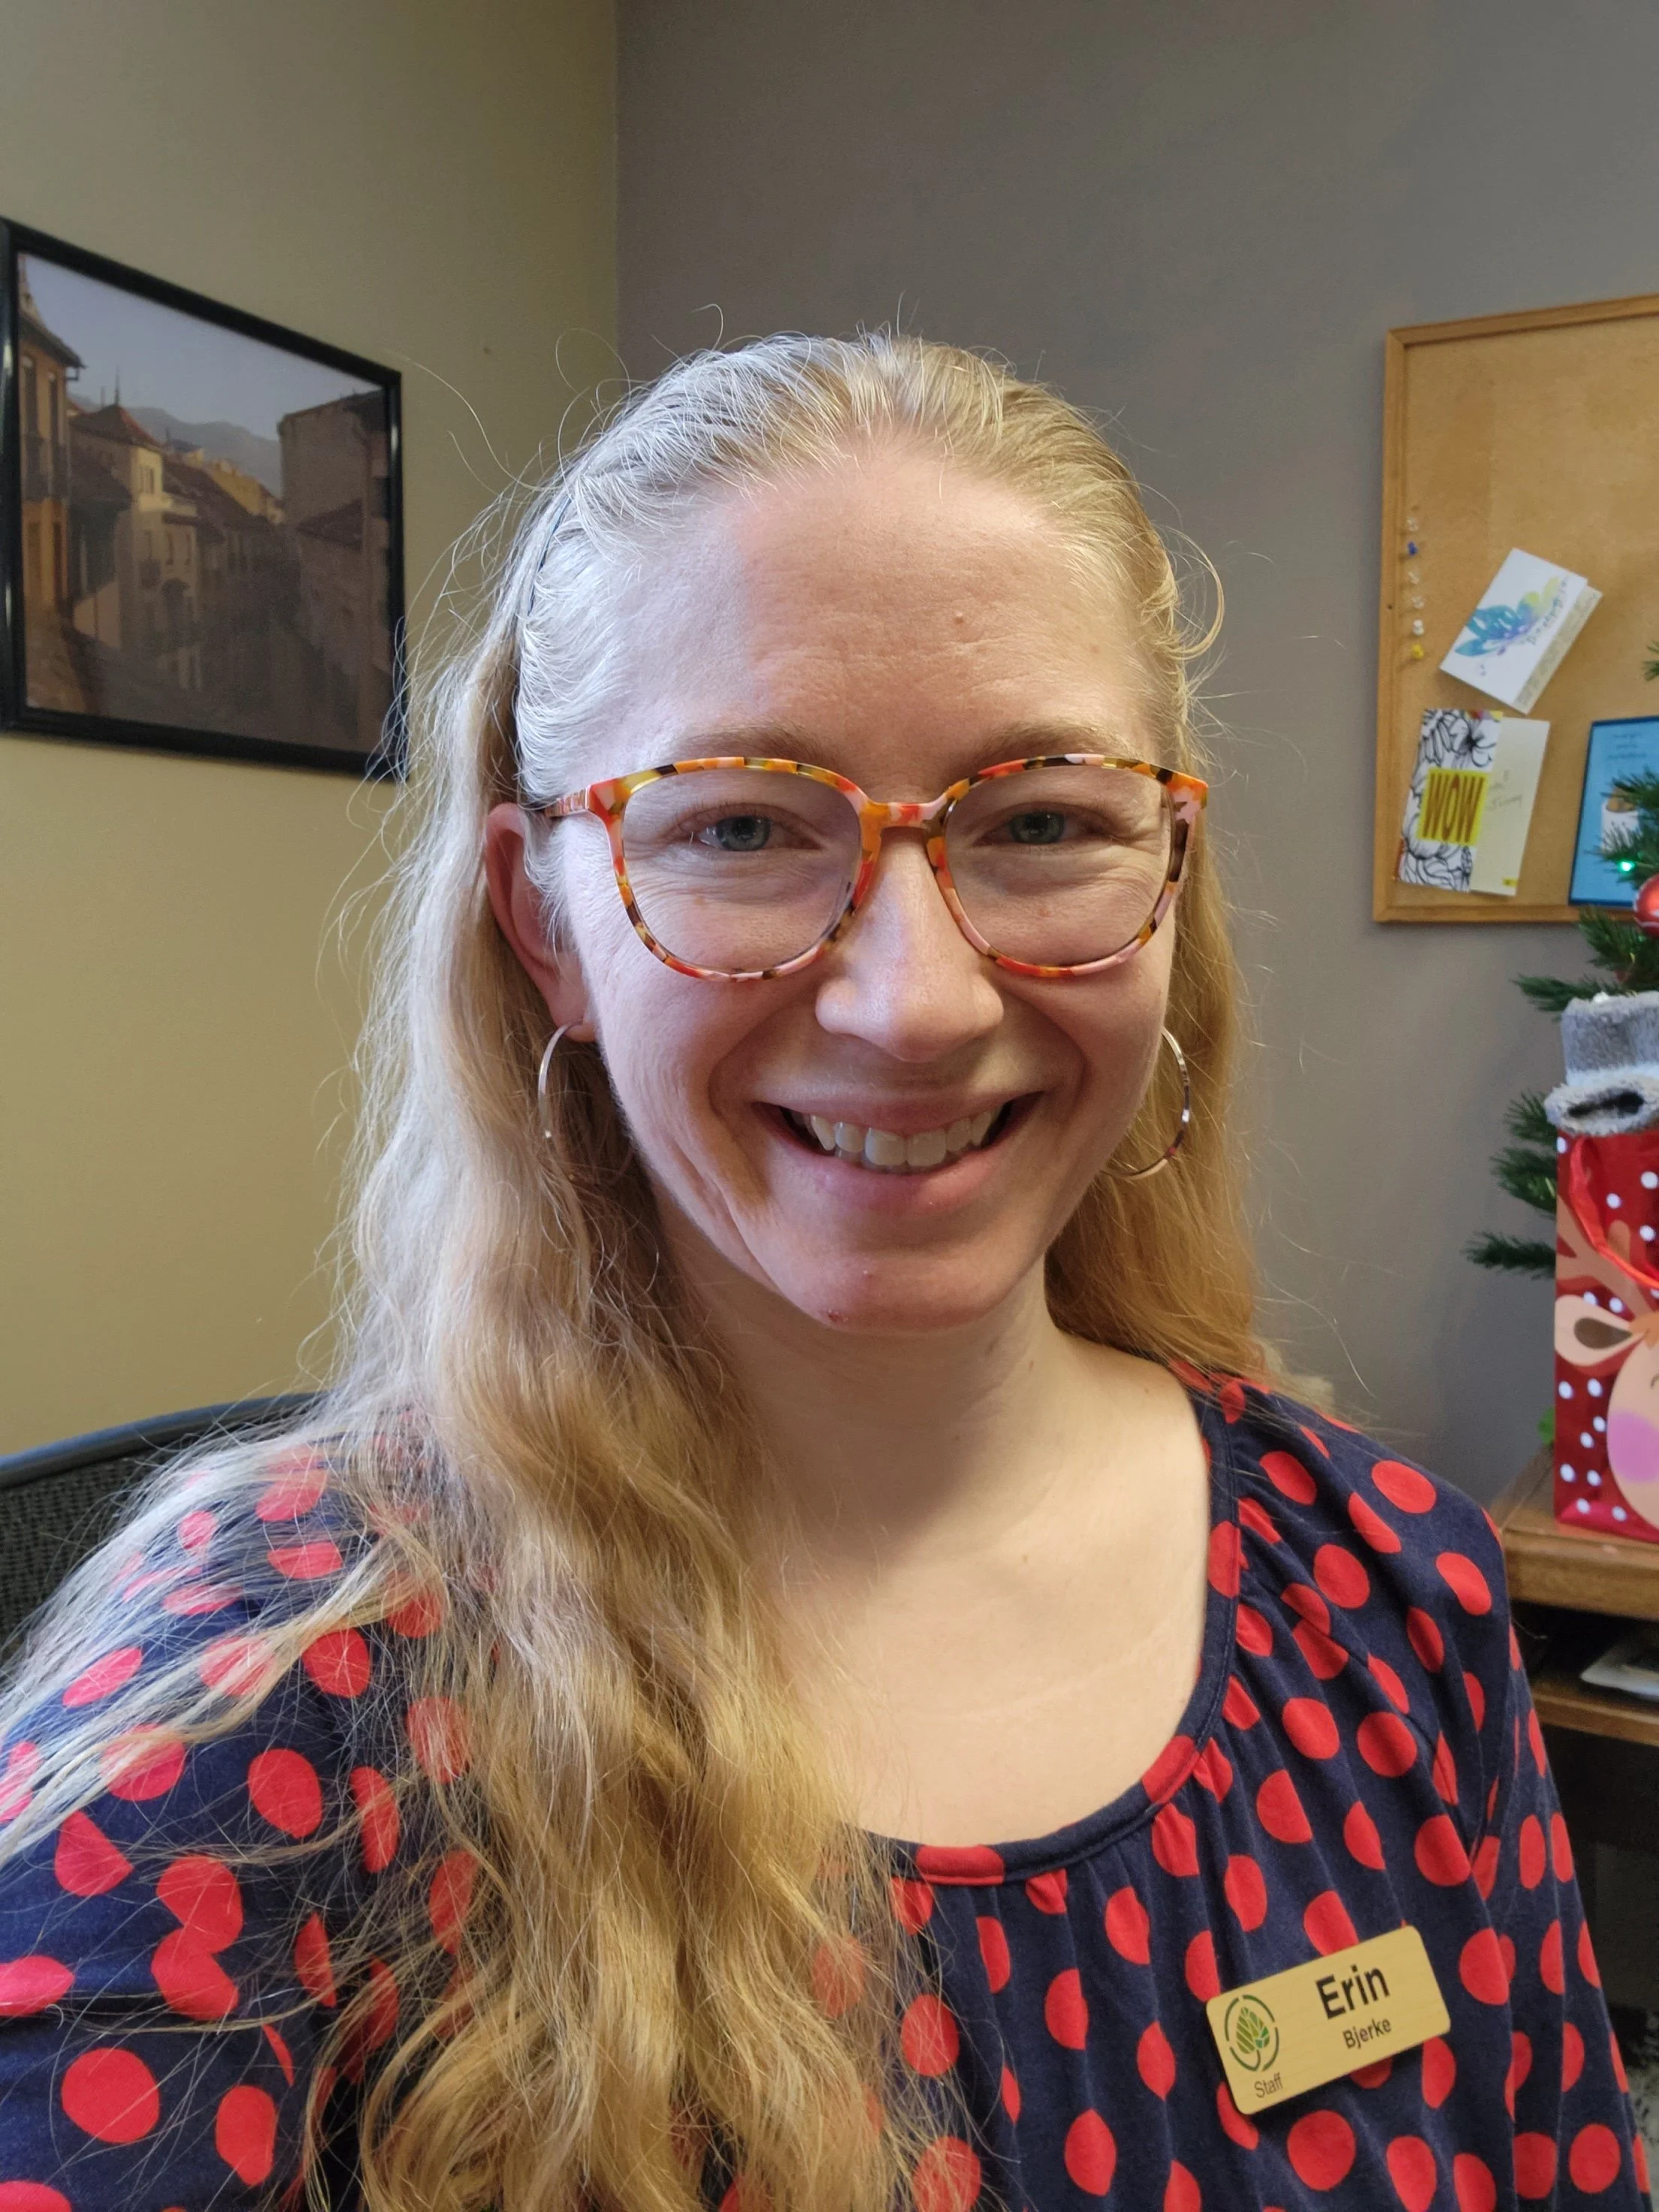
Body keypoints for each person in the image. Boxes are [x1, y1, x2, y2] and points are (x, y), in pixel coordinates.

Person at [0, 333, 1645, 2212]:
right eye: (745, 829)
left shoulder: (1389, 1588)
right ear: (546, 924)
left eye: (1039, 821)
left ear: (1168, 881)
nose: (916, 1000)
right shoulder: (250, 1710)